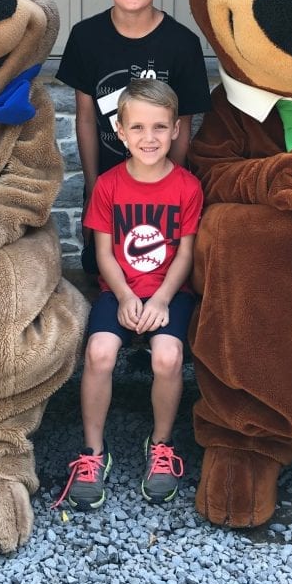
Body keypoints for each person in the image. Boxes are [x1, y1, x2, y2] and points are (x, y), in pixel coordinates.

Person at [54, 79, 203, 510]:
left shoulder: (188, 187)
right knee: (99, 353)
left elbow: (185, 255)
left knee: (168, 357)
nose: (149, 138)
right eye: (137, 127)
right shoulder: (109, 186)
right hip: (119, 292)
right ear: (119, 130)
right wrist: (123, 297)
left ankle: (160, 447)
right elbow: (103, 253)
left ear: (175, 130)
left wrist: (159, 300)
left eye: (159, 127)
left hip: (169, 294)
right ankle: (92, 454)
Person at [56, 0, 210, 272]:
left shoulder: (182, 44)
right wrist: (94, 184)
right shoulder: (85, 37)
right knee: (101, 273)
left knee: (158, 270)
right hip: (108, 182)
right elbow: (85, 117)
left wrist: (172, 181)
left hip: (160, 187)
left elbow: (183, 125)